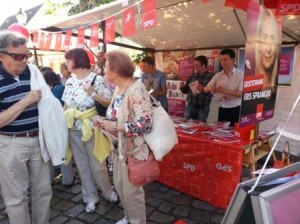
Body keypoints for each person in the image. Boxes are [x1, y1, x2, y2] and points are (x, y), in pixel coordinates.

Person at [93, 50, 153, 224]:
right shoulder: (119, 89)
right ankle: (128, 217)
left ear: (115, 71)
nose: (103, 70)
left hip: (133, 151)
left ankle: (137, 221)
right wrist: (103, 121)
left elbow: (146, 124)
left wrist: (116, 126)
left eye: (105, 67)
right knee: (120, 187)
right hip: (119, 149)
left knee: (132, 192)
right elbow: (116, 117)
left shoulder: (136, 89)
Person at [0, 31, 53, 224]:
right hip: (10, 144)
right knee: (16, 197)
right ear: (1, 55)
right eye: (18, 56)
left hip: (38, 140)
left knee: (44, 190)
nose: (24, 60)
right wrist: (25, 101)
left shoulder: (33, 72)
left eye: (27, 55)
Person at [62, 48, 117, 213]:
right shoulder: (70, 81)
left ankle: (107, 192)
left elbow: (109, 102)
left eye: (68, 60)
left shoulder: (97, 79)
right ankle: (90, 197)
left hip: (92, 128)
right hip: (73, 128)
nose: (66, 63)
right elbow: (66, 105)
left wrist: (92, 93)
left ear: (77, 60)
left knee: (98, 165)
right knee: (82, 165)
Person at [43, 70, 74, 186]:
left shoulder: (48, 91)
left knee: (50, 152)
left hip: (50, 125)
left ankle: (51, 178)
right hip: (60, 123)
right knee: (64, 151)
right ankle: (67, 179)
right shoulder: (61, 88)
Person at [204, 49, 244, 126]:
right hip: (222, 109)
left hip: (235, 110)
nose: (223, 62)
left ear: (233, 60)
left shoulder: (240, 74)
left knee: (234, 134)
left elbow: (242, 93)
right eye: (221, 60)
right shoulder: (218, 75)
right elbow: (205, 89)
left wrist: (224, 91)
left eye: (226, 59)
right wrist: (211, 88)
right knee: (221, 133)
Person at [180, 55, 213, 122]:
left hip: (202, 107)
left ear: (203, 65)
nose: (195, 67)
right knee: (185, 126)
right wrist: (182, 87)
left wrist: (203, 89)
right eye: (194, 65)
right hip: (190, 106)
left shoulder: (211, 77)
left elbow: (214, 93)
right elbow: (186, 90)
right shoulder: (193, 76)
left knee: (200, 127)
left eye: (197, 65)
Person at [255, 6, 280, 92]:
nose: (269, 49)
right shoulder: (251, 84)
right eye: (264, 37)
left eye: (273, 38)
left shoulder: (276, 85)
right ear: (257, 44)